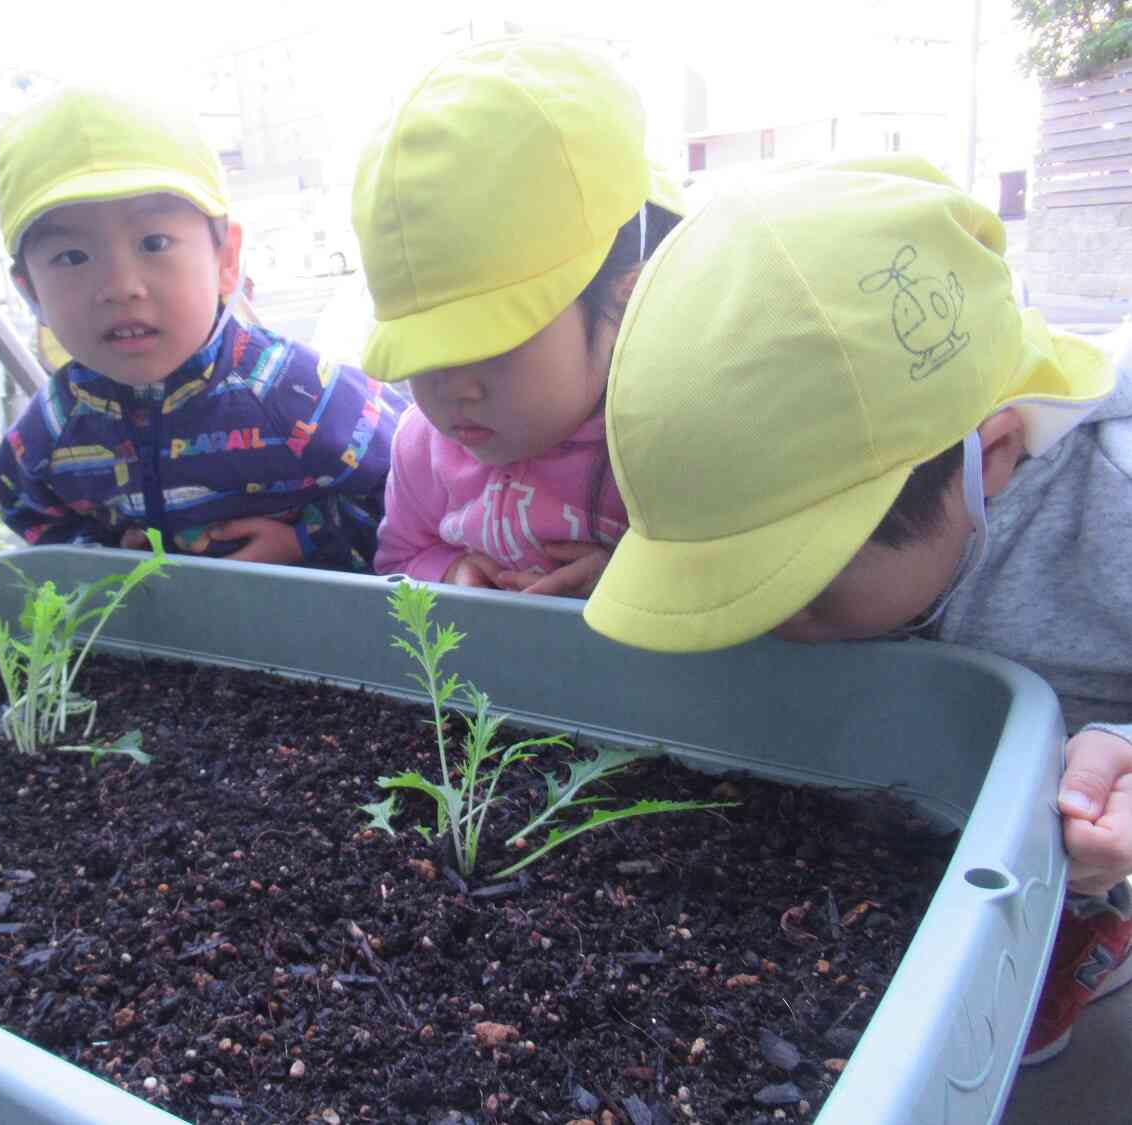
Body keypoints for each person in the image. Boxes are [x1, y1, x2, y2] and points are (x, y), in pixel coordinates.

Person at [583, 154, 1132, 1066]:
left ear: (985, 462)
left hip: (1085, 820)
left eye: (797, 588)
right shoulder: (917, 503)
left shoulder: (1111, 507)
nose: (764, 625)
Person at [0, 88, 405, 571]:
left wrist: (312, 541)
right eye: (72, 257)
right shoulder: (55, 427)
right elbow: (20, 504)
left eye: (154, 242)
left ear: (225, 258)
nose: (121, 287)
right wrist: (99, 555)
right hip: (167, 640)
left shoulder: (299, 395)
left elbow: (420, 489)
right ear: (30, 291)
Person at [351, 38, 683, 597]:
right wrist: (452, 575)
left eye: (493, 340)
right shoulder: (422, 450)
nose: (453, 387)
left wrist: (633, 588)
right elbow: (402, 554)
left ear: (625, 292)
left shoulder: (673, 438)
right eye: (423, 350)